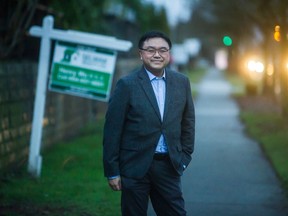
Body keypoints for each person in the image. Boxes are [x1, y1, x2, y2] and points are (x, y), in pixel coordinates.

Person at [103, 30, 195, 216]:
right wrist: (112, 171)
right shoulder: (127, 85)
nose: (157, 54)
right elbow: (112, 130)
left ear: (169, 54)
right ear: (141, 54)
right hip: (134, 167)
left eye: (162, 50)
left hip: (168, 166)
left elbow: (188, 122)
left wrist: (184, 157)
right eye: (150, 50)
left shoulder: (181, 82)